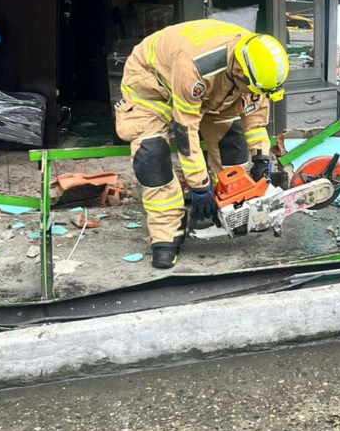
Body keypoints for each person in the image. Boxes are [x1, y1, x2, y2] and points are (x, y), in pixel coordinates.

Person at [114, 19, 289, 269]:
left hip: (218, 90)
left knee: (233, 150)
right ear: (239, 70)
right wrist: (199, 185)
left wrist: (261, 156)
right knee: (152, 158)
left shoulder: (256, 63)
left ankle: (232, 211)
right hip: (152, 85)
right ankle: (165, 235)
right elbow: (186, 129)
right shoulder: (194, 67)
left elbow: (254, 112)